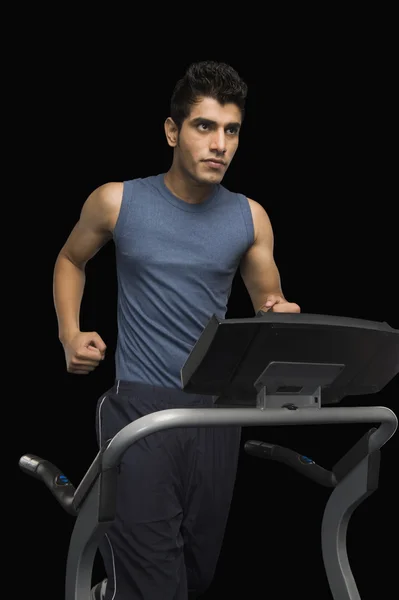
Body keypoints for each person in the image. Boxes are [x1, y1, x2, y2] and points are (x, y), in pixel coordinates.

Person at [53, 60, 301, 600]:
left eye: (231, 130)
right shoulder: (118, 201)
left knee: (195, 574)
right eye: (204, 126)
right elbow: (71, 259)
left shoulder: (249, 217)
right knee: (154, 582)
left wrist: (279, 316)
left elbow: (269, 302)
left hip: (217, 412)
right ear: (172, 131)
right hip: (140, 408)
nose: (220, 144)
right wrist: (70, 333)